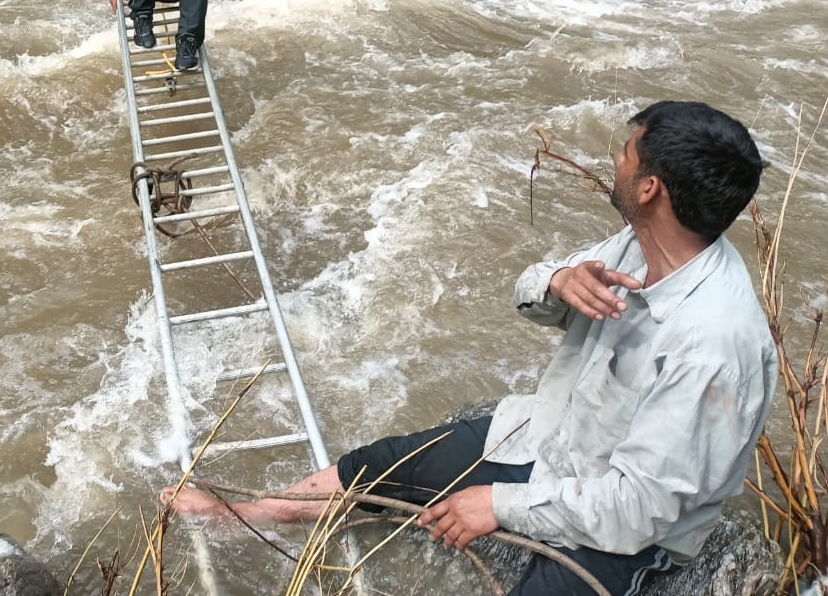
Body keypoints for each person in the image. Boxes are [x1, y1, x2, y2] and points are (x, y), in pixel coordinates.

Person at [165, 100, 775, 596]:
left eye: (624, 153)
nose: (611, 161)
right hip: (551, 438)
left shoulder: (713, 346)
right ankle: (260, 515)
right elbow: (529, 294)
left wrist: (500, 505)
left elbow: (641, 509)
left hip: (626, 531)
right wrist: (557, 281)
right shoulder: (642, 242)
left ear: (649, 188)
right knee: (381, 465)